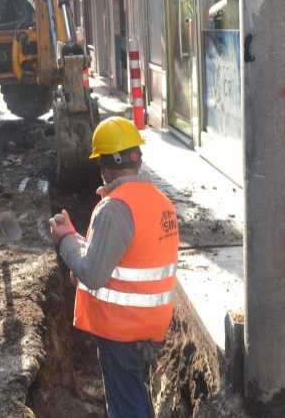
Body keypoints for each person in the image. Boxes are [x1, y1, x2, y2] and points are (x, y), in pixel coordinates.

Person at [49, 117, 179, 418]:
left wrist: (66, 240)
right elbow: (126, 256)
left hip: (122, 330)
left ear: (104, 167)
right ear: (138, 158)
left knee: (126, 406)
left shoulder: (115, 208)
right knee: (136, 394)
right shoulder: (161, 203)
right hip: (151, 325)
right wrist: (79, 238)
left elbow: (93, 274)